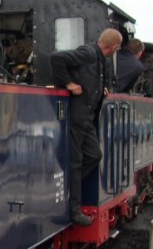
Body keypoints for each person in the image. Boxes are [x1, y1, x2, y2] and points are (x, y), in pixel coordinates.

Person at [50, 28, 123, 226]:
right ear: (114, 47)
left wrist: (102, 89)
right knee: (75, 161)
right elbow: (57, 58)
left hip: (87, 119)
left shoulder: (99, 57)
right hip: (76, 116)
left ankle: (68, 185)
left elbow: (95, 78)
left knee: (93, 155)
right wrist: (68, 83)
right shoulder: (88, 53)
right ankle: (73, 210)